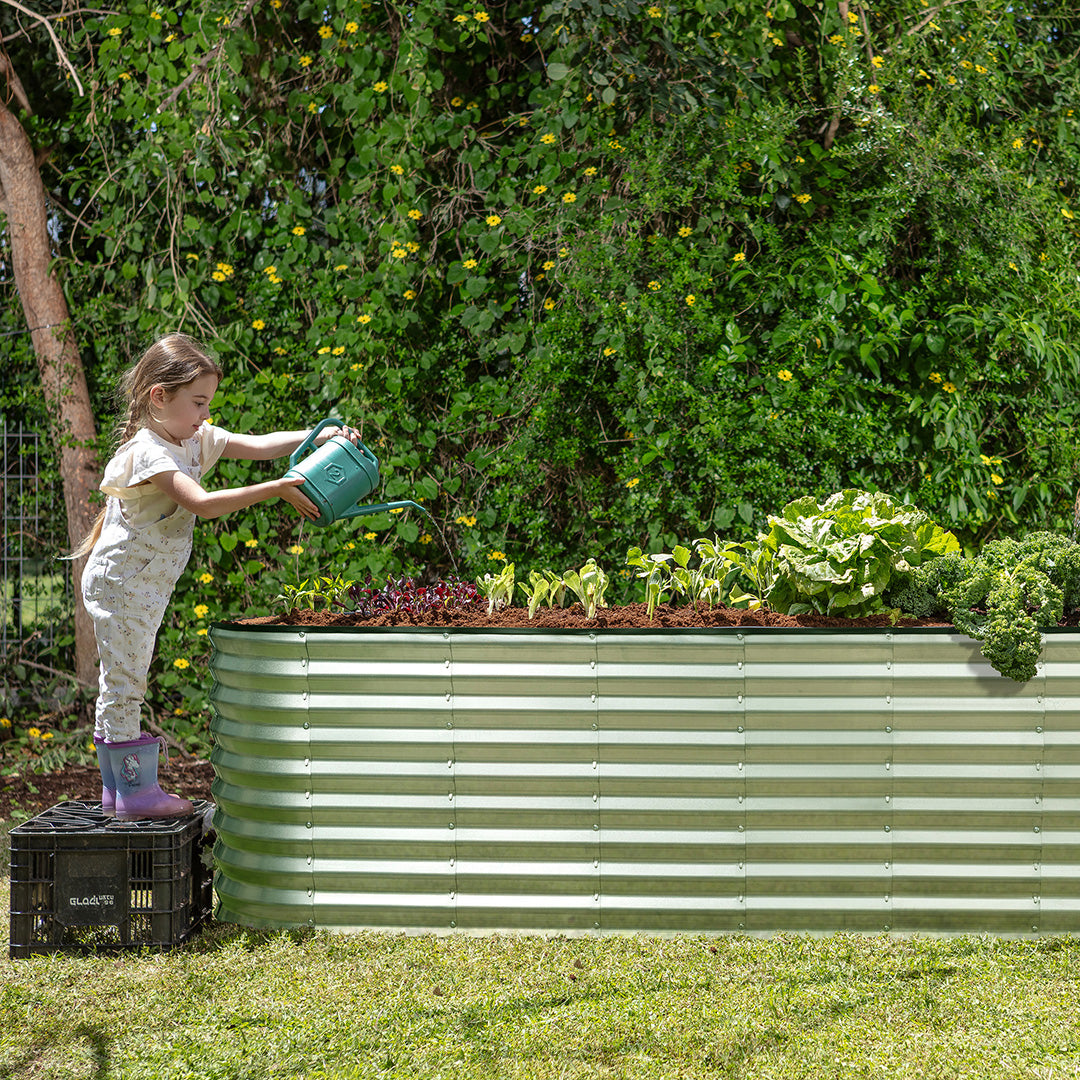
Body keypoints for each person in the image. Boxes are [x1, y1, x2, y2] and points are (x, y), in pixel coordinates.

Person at [71, 332, 358, 821]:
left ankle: (118, 792)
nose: (206, 415)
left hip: (142, 584)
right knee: (124, 682)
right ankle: (135, 795)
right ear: (159, 397)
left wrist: (319, 436)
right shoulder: (150, 453)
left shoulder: (193, 438)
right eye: (198, 402)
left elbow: (262, 444)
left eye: (208, 404)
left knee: (123, 678)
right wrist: (278, 488)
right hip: (121, 585)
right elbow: (201, 504)